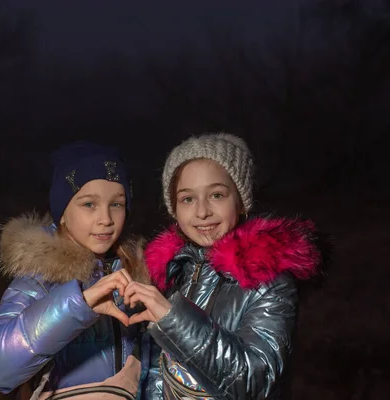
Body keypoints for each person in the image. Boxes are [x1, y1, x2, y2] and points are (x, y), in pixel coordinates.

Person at [123, 133, 324, 399]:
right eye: (187, 199)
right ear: (174, 208)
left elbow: (253, 382)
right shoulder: (169, 272)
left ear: (240, 202)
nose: (202, 211)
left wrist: (173, 319)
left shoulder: (268, 281)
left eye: (216, 195)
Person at [0, 141, 150, 398]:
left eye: (116, 204)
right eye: (89, 204)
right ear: (63, 213)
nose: (106, 219)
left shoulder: (136, 274)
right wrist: (79, 303)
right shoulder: (40, 279)